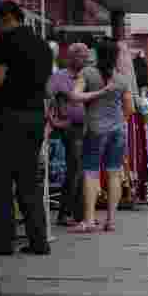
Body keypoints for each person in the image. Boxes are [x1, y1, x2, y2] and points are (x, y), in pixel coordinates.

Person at [0, 1, 56, 255]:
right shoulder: (43, 46)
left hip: (8, 117)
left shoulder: (6, 42)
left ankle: (3, 243)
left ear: (6, 18)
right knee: (28, 181)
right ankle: (39, 242)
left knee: (2, 181)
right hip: (35, 118)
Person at [68, 39, 137, 232]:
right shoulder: (122, 78)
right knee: (114, 173)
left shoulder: (87, 73)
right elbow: (130, 108)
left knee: (91, 173)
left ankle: (89, 221)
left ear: (96, 53)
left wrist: (98, 93)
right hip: (118, 131)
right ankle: (111, 220)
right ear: (116, 55)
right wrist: (118, 121)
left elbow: (75, 96)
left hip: (95, 129)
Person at [46, 43, 107, 227]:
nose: (86, 60)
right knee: (76, 169)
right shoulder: (59, 77)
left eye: (87, 56)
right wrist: (54, 121)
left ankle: (82, 214)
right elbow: (47, 99)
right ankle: (66, 213)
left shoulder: (90, 76)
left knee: (86, 170)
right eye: (82, 56)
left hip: (90, 127)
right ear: (71, 57)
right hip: (71, 128)